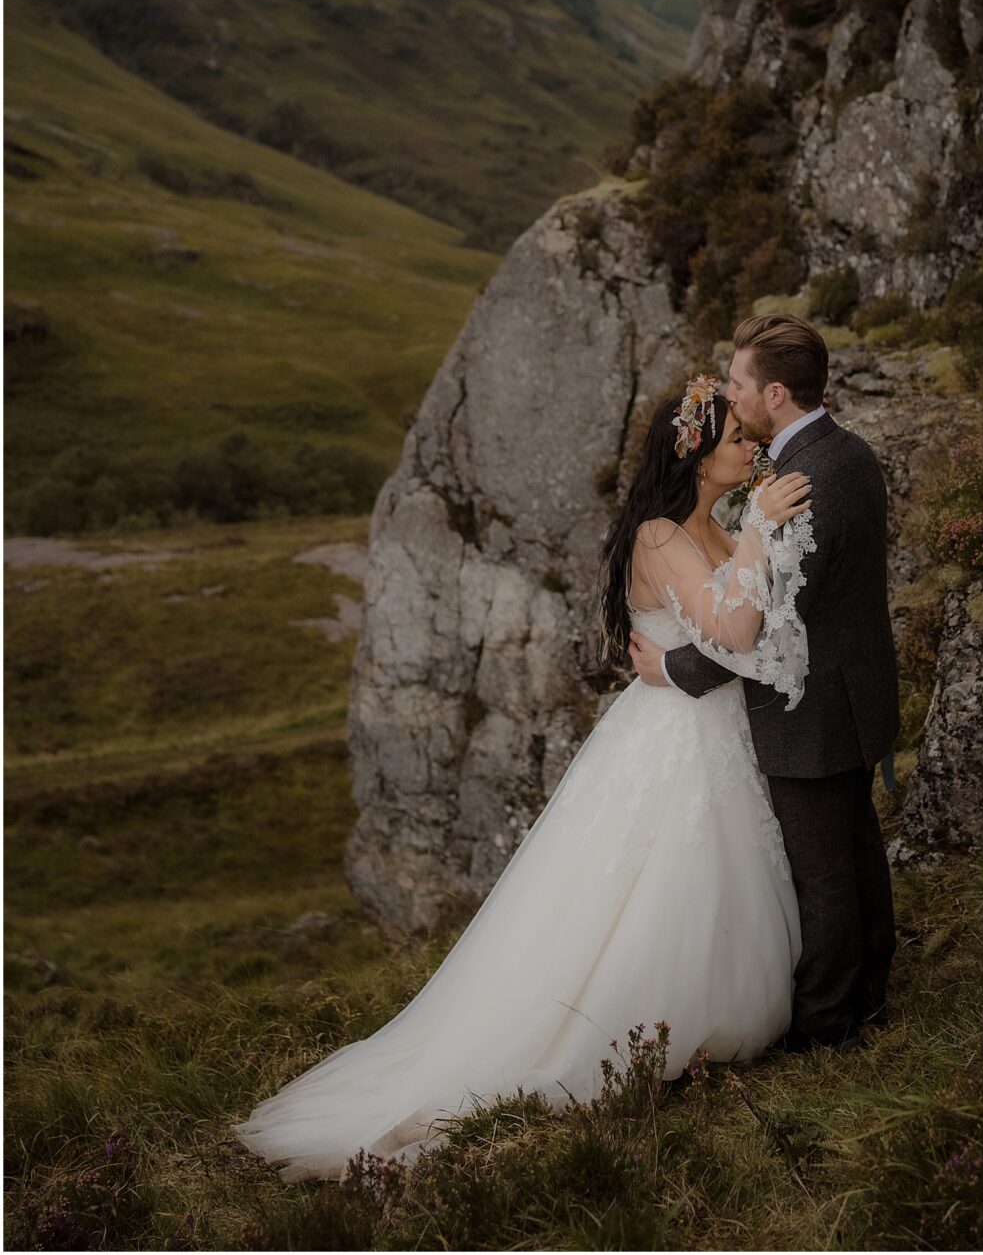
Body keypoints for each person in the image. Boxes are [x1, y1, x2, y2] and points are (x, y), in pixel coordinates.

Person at [231, 378, 814, 1182]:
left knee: (714, 874)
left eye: (752, 438)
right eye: (739, 440)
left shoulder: (709, 524)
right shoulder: (656, 537)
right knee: (652, 884)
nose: (752, 449)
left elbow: (741, 634)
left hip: (711, 725)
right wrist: (760, 533)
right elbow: (732, 627)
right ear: (697, 452)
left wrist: (749, 538)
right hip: (673, 740)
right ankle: (623, 1037)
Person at [630, 312, 900, 1053]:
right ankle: (872, 985)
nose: (731, 393)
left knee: (826, 877)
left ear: (775, 392)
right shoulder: (851, 453)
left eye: (741, 383)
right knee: (854, 852)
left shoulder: (797, 484)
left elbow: (772, 621)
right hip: (853, 691)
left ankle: (826, 1026)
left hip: (810, 708)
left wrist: (674, 666)